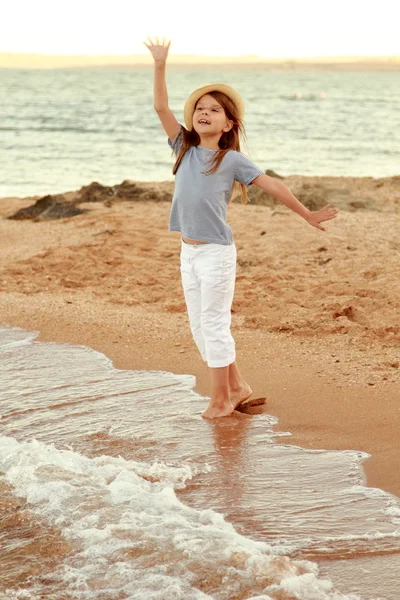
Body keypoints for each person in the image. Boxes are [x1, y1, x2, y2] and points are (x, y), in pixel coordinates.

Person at [144, 37, 338, 419]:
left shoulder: (231, 160)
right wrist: (160, 64)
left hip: (216, 253)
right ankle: (237, 387)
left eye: (214, 110)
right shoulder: (182, 145)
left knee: (214, 326)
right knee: (201, 329)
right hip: (188, 252)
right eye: (200, 108)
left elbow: (274, 186)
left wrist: (308, 214)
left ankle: (221, 400)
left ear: (228, 123)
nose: (205, 113)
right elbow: (160, 106)